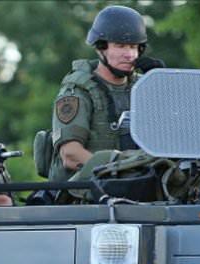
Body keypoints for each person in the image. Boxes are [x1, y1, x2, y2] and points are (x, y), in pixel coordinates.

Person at [47, 5, 164, 183]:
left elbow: (173, 138)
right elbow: (70, 154)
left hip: (140, 185)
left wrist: (163, 85)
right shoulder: (78, 91)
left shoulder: (145, 87)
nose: (129, 54)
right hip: (88, 191)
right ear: (101, 48)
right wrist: (120, 169)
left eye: (133, 47)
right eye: (120, 46)